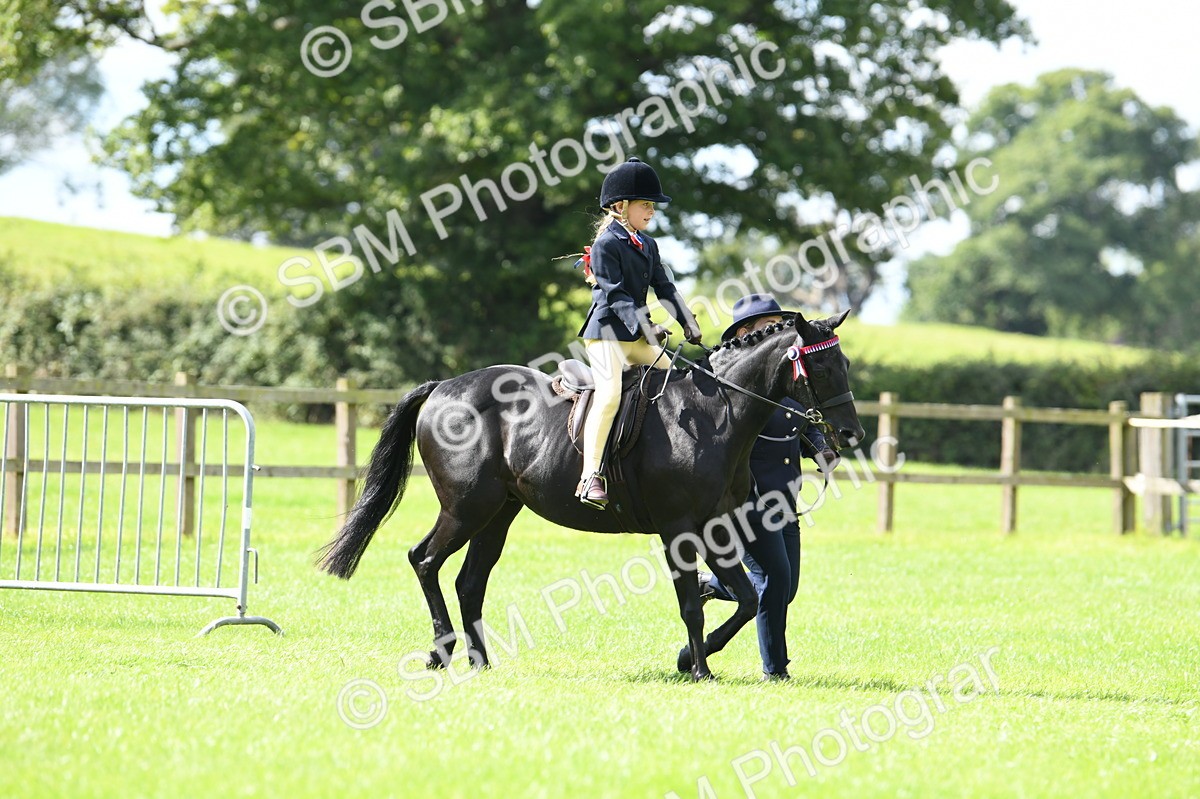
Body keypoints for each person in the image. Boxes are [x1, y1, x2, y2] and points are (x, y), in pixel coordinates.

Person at [699, 293, 839, 680]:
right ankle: (775, 672)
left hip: (786, 497)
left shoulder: (785, 378)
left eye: (780, 323)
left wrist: (821, 448)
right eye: (769, 325)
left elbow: (803, 421)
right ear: (745, 333)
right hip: (749, 499)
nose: (780, 331)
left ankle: (712, 585)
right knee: (775, 580)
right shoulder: (734, 387)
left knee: (785, 587)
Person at [575, 157, 703, 508]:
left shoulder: (647, 245)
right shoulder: (606, 245)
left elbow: (664, 286)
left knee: (678, 384)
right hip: (605, 336)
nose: (651, 211)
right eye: (645, 204)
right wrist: (648, 326)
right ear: (620, 206)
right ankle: (590, 476)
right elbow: (615, 295)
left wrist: (686, 320)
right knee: (611, 394)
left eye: (652, 205)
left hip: (636, 339)